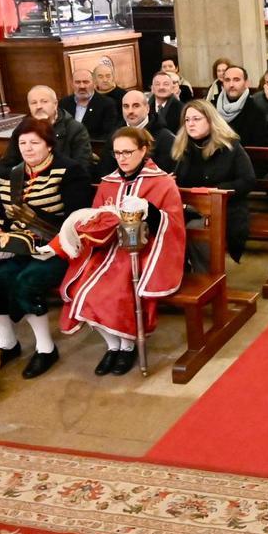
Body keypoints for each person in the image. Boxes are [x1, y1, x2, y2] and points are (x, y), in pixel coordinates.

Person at [56, 127, 186, 376]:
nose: (122, 158)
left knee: (115, 292)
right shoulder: (109, 182)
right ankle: (112, 345)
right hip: (108, 249)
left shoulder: (162, 182)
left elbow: (174, 224)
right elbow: (95, 218)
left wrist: (149, 209)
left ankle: (127, 346)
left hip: (145, 250)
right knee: (79, 289)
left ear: (143, 150)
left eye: (128, 152)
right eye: (117, 153)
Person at [0, 117, 93, 378]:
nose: (28, 148)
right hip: (19, 247)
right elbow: (0, 213)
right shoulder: (9, 173)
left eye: (34, 143)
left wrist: (45, 234)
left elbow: (77, 218)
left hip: (60, 248)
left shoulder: (70, 171)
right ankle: (8, 344)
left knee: (26, 283)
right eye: (23, 143)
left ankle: (45, 348)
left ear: (49, 145)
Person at [173, 100, 256, 263]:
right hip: (189, 208)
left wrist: (217, 190)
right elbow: (178, 181)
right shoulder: (184, 146)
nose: (190, 124)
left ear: (211, 120)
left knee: (196, 228)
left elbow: (248, 180)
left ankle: (206, 274)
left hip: (224, 208)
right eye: (187, 120)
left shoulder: (230, 146)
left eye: (196, 119)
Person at [0, 85, 93, 175]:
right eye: (34, 103)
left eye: (44, 101)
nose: (39, 106)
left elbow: (81, 169)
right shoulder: (22, 129)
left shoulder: (75, 129)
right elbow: (6, 165)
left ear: (55, 104)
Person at [115, 90, 176, 173]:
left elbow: (166, 173)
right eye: (126, 106)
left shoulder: (166, 138)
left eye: (136, 106)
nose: (130, 111)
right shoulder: (115, 134)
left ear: (147, 108)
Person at [215, 65, 268, 147]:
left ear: (246, 83)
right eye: (227, 80)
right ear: (223, 84)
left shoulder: (256, 110)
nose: (231, 85)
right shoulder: (212, 107)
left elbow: (257, 147)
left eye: (236, 80)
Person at [60, 68, 120, 142]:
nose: (82, 86)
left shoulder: (107, 104)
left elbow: (108, 134)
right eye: (77, 82)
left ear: (94, 83)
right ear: (72, 84)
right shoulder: (64, 103)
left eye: (86, 82)